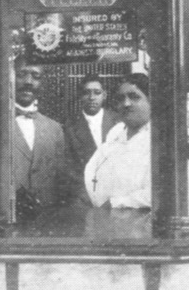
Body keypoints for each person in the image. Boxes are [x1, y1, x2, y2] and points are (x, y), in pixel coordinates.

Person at [83, 73, 151, 210]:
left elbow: (155, 193)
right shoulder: (116, 132)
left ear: (151, 100)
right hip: (102, 215)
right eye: (121, 99)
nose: (126, 103)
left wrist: (116, 203)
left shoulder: (157, 138)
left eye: (134, 97)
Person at [11, 57, 67, 221]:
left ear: (43, 83)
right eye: (22, 74)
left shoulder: (55, 128)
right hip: (8, 217)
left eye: (36, 76)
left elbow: (60, 180)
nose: (28, 81)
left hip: (46, 220)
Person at [63, 74, 120, 203]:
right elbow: (68, 168)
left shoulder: (118, 122)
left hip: (116, 194)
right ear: (80, 96)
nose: (92, 98)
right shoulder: (69, 127)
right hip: (84, 196)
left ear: (104, 95)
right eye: (86, 93)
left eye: (97, 93)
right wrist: (86, 194)